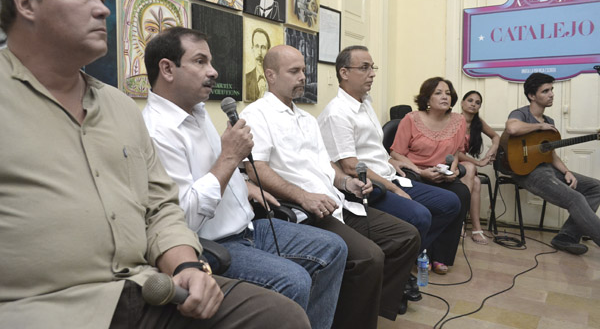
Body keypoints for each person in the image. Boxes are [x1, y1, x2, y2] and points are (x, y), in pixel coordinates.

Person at [0, 0, 310, 329]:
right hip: (42, 307)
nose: (103, 9)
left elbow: (161, 208)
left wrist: (186, 264)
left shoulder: (118, 107)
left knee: (280, 316)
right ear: (26, 4)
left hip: (143, 285)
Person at [142, 27, 347, 329]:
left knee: (334, 248)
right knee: (294, 280)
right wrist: (229, 158)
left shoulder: (197, 113)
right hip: (213, 244)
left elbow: (211, 172)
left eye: (210, 61)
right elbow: (181, 219)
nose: (213, 71)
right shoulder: (156, 132)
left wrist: (245, 184)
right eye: (200, 62)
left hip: (250, 228)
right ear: (167, 69)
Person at [240, 45, 421, 328]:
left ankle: (363, 309)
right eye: (294, 71)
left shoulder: (306, 119)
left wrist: (348, 182)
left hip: (336, 202)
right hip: (305, 211)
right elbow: (256, 169)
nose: (303, 77)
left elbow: (327, 167)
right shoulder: (256, 115)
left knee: (405, 235)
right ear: (271, 76)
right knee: (369, 258)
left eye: (304, 70)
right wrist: (304, 197)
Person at [317, 46, 460, 287]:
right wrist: (394, 190)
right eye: (364, 68)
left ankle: (404, 261)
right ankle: (399, 277)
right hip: (371, 186)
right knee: (420, 215)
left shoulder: (365, 103)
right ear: (344, 72)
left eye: (373, 67)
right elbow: (351, 166)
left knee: (451, 203)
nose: (372, 73)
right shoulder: (337, 113)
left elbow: (373, 150)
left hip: (389, 174)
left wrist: (392, 161)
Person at [504, 73, 600, 254]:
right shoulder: (521, 113)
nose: (551, 94)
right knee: (575, 198)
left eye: (552, 90)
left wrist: (567, 172)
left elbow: (550, 153)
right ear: (532, 96)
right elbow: (512, 128)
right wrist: (539, 126)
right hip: (528, 172)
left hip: (547, 168)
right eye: (545, 91)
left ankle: (567, 237)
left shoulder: (550, 122)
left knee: (595, 187)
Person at [390, 77, 471, 275]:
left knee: (462, 193)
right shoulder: (411, 119)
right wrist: (420, 171)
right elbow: (396, 153)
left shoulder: (459, 121)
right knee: (421, 192)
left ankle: (441, 256)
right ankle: (420, 250)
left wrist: (452, 168)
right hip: (414, 171)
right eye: (438, 93)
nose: (445, 96)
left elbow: (458, 152)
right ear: (427, 98)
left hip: (441, 173)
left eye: (448, 93)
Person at [458, 90, 500, 245]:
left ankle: (475, 228)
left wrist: (490, 152)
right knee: (470, 169)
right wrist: (478, 163)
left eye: (477, 102)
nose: (473, 104)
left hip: (465, 166)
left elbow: (496, 137)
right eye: (470, 100)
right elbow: (454, 152)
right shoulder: (454, 121)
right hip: (451, 162)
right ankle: (460, 223)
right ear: (462, 103)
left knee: (475, 182)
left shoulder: (477, 123)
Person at [245, 28, 270, 101]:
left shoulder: (276, 81)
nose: (259, 52)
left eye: (263, 47)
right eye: (256, 46)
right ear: (252, 49)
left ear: (268, 50)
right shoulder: (246, 79)